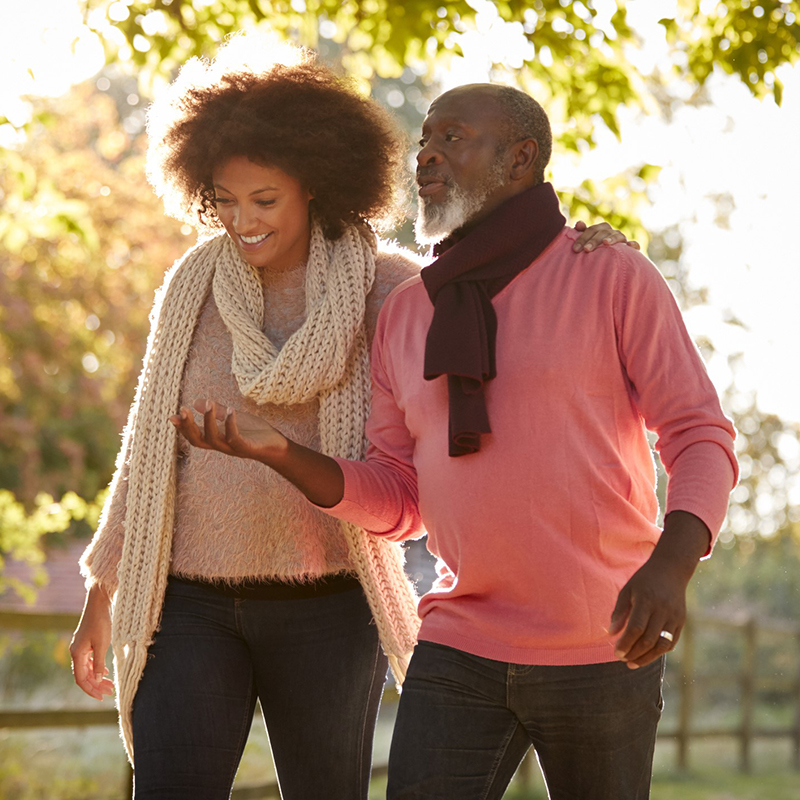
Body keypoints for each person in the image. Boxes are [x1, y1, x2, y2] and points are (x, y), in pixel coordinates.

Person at [69, 34, 630, 800]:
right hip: (189, 599)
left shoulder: (391, 289)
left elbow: (494, 293)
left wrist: (581, 249)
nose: (243, 221)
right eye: (224, 201)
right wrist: (103, 597)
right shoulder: (191, 288)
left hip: (328, 605)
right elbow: (143, 455)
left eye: (264, 200)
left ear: (316, 187)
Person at [175, 82, 739, 799]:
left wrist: (671, 565)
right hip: (459, 645)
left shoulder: (608, 273)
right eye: (425, 140)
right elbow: (399, 498)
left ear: (520, 159)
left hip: (601, 641)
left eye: (454, 139)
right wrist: (283, 454)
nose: (428, 155)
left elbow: (699, 434)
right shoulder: (410, 312)